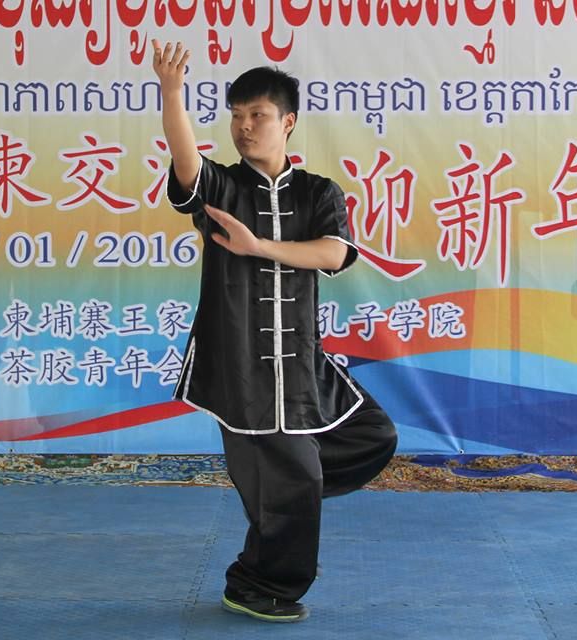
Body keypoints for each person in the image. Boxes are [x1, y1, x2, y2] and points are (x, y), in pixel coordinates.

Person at [151, 40, 398, 623]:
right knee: (288, 476)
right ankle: (259, 584)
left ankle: (285, 500)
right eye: (236, 116)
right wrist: (172, 92)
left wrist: (258, 246)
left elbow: (333, 254)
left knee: (373, 436)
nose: (244, 126)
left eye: (257, 115)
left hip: (302, 360)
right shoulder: (221, 188)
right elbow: (186, 163)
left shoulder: (318, 192)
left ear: (287, 122)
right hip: (241, 363)